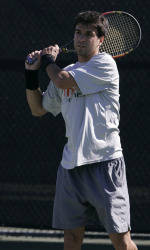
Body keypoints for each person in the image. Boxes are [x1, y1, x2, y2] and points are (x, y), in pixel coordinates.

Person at [25, 10, 138, 250]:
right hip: (71, 167)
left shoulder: (104, 64)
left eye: (89, 34)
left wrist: (47, 61)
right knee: (72, 239)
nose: (81, 38)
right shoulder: (63, 71)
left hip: (105, 163)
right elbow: (37, 109)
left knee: (121, 240)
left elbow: (62, 80)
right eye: (78, 33)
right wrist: (31, 73)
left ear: (101, 40)